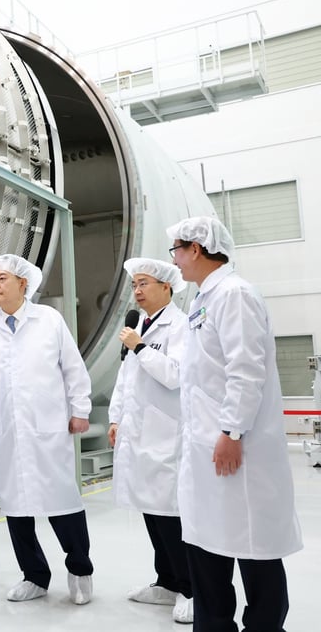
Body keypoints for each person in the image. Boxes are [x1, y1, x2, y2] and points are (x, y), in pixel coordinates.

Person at [167, 216, 302, 631]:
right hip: (207, 447)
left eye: (177, 249)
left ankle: (264, 625)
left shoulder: (235, 294)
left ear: (197, 248)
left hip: (235, 446)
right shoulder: (203, 299)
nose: (174, 259)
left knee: (254, 547)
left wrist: (232, 431)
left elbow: (246, 370)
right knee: (207, 544)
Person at [0, 254, 94, 605]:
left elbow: (73, 369)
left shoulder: (49, 320)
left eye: (2, 278)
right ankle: (34, 576)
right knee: (17, 507)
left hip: (48, 428)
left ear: (23, 283)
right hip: (9, 431)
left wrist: (80, 409)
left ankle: (80, 569)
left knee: (62, 501)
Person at [108, 257, 193, 624]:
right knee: (151, 512)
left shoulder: (180, 326)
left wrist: (141, 348)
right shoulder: (139, 324)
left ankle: (190, 589)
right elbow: (125, 377)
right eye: (134, 285)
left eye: (143, 284)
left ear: (166, 287)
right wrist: (115, 418)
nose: (137, 291)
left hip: (166, 434)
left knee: (172, 516)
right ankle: (167, 581)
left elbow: (176, 375)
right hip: (138, 432)